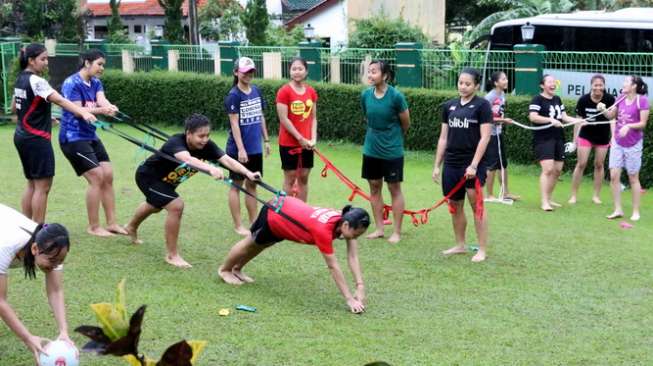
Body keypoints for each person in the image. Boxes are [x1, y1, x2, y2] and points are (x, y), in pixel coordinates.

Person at [124, 114, 261, 268]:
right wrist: (210, 168)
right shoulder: (175, 142)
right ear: (188, 133)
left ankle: (130, 227)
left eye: (207, 135)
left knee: (155, 206)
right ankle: (172, 255)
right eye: (200, 136)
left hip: (167, 182)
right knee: (176, 205)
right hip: (148, 177)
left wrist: (248, 173)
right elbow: (188, 159)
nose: (204, 139)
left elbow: (227, 160)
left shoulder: (206, 146)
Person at [218, 196, 370, 314]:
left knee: (262, 244)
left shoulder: (344, 218)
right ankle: (225, 270)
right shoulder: (323, 230)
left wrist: (360, 285)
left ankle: (237, 269)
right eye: (356, 234)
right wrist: (350, 299)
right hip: (276, 213)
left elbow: (353, 256)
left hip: (286, 219)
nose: (356, 238)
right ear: (345, 225)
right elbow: (333, 266)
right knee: (250, 242)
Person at [12, 43, 96, 223]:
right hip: (36, 139)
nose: (46, 63)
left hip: (22, 136)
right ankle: (38, 230)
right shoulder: (37, 81)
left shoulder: (21, 78)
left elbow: (15, 107)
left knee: (32, 184)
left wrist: (44, 117)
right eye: (43, 59)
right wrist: (83, 112)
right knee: (43, 186)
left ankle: (25, 226)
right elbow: (61, 101)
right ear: (31, 60)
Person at [59, 49, 128, 237]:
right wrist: (103, 110)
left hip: (90, 136)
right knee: (96, 177)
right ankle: (94, 226)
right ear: (87, 63)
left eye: (103, 64)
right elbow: (76, 110)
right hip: (72, 138)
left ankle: (112, 223)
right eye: (99, 64)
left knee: (108, 174)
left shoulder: (96, 82)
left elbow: (101, 100)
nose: (102, 68)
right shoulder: (71, 83)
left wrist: (109, 106)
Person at [432, 68, 492, 262]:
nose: (463, 87)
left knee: (477, 206)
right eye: (460, 83)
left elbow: (485, 138)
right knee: (455, 204)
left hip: (472, 164)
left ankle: (482, 249)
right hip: (451, 163)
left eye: (468, 84)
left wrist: (474, 165)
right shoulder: (448, 106)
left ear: (476, 85)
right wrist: (437, 165)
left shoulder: (482, 106)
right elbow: (443, 138)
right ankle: (460, 245)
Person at [0, 203, 72, 364]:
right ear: (34, 249)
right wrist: (28, 337)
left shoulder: (54, 248)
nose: (56, 265)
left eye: (60, 261)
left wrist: (64, 332)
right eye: (52, 261)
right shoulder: (6, 247)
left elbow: (55, 291)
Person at [360, 60, 410, 244]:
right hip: (371, 148)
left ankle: (396, 231)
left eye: (374, 72)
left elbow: (406, 122)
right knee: (374, 187)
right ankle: (379, 228)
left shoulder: (396, 96)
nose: (370, 75)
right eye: (369, 71)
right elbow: (367, 117)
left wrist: (394, 138)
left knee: (394, 188)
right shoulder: (365, 95)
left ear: (385, 75)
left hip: (392, 150)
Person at [225, 57, 271, 236]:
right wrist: (241, 149)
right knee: (236, 185)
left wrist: (266, 141)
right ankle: (238, 225)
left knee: (253, 184)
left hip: (256, 148)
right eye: (244, 72)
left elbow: (260, 116)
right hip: (238, 150)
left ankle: (254, 222)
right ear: (236, 72)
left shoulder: (256, 91)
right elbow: (234, 124)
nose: (248, 75)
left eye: (251, 71)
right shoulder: (233, 95)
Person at [528, 74, 584, 211]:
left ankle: (549, 198)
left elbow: (563, 117)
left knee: (557, 170)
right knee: (547, 169)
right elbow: (533, 117)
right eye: (550, 82)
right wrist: (550, 120)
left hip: (559, 138)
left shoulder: (557, 99)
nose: (553, 84)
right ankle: (544, 202)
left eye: (554, 82)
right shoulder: (537, 99)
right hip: (543, 138)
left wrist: (578, 121)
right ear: (542, 85)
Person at [602, 76, 649, 221]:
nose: (623, 84)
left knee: (633, 178)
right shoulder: (620, 98)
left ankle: (635, 211)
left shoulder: (642, 101)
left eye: (626, 82)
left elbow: (643, 123)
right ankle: (618, 210)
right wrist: (603, 109)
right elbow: (611, 115)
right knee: (614, 176)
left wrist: (628, 126)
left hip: (633, 143)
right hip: (617, 142)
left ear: (634, 86)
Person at [275, 57, 318, 201]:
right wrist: (300, 138)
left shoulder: (311, 92)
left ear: (306, 71)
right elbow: (284, 119)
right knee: (290, 177)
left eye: (300, 69)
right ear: (289, 71)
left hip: (307, 143)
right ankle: (287, 212)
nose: (297, 72)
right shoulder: (284, 91)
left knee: (304, 177)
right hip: (289, 143)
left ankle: (302, 212)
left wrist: (313, 139)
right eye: (294, 69)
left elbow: (313, 118)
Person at [568, 74, 615, 205]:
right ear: (591, 86)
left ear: (604, 86)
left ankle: (596, 196)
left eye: (601, 85)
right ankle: (573, 195)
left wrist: (614, 137)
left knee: (599, 165)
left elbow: (612, 119)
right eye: (596, 85)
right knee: (581, 163)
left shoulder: (610, 99)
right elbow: (578, 121)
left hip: (603, 136)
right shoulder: (583, 100)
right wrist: (574, 141)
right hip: (586, 135)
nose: (598, 88)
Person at [484, 71, 520, 202]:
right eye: (503, 79)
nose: (506, 81)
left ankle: (505, 193)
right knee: (492, 165)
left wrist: (502, 120)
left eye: (506, 78)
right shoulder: (489, 97)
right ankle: (489, 194)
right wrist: (504, 121)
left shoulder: (502, 94)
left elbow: (499, 113)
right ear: (496, 83)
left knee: (503, 165)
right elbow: (486, 118)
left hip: (498, 133)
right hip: (490, 134)